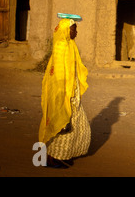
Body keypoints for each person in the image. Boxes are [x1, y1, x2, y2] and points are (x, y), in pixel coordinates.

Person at [39, 17, 91, 168]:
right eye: (74, 29)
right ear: (66, 30)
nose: (76, 32)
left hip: (71, 90)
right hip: (63, 91)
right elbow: (60, 74)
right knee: (61, 122)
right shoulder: (62, 46)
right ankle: (52, 157)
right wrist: (63, 96)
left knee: (75, 124)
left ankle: (62, 155)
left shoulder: (70, 45)